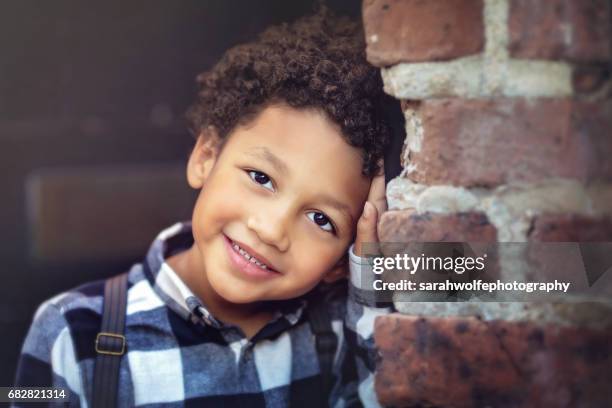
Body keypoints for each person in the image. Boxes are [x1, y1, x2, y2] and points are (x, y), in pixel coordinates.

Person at [14, 7, 393, 407]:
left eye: (322, 220)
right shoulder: (66, 329)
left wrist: (374, 264)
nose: (271, 230)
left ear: (338, 262)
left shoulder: (337, 327)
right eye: (261, 178)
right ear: (206, 157)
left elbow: (463, 288)